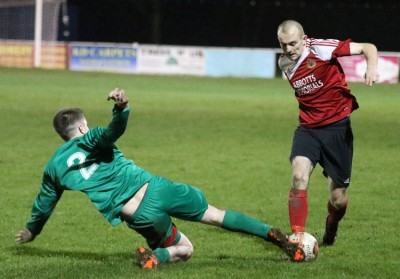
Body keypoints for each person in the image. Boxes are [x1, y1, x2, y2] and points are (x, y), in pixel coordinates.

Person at [15, 88, 305, 269]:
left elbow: (45, 203)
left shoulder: (54, 166)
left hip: (138, 215)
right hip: (156, 188)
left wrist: (32, 232)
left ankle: (156, 258)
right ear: (82, 127)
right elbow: (111, 133)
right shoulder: (89, 138)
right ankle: (271, 234)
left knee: (185, 250)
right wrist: (121, 108)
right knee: (214, 215)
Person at [276, 20, 379, 245]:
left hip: (337, 130)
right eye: (283, 45)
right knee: (299, 176)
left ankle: (331, 225)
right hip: (308, 129)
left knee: (338, 200)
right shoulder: (284, 62)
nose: (288, 49)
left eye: (293, 43)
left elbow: (367, 47)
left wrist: (371, 67)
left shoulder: (322, 49)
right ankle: (298, 240)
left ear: (304, 39)